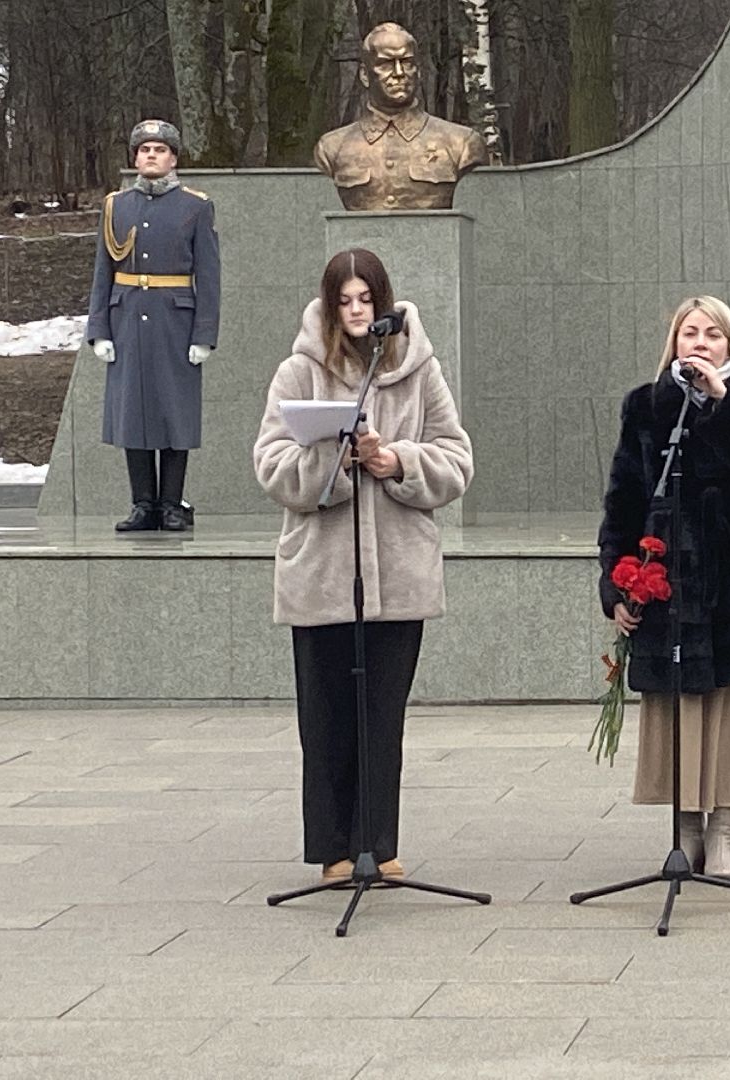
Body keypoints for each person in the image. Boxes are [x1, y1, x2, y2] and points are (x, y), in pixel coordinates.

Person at [253, 249, 473, 884]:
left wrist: (395, 461)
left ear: (384, 303)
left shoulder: (418, 370)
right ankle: (333, 848)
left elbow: (457, 458)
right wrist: (335, 463)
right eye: (344, 302)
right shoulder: (298, 372)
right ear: (328, 306)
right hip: (322, 574)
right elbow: (269, 464)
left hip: (398, 573)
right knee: (326, 717)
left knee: (383, 713)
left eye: (366, 301)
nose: (356, 313)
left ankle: (378, 839)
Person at [598, 295, 730, 881]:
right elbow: (624, 498)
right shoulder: (648, 407)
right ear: (673, 344)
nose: (700, 343)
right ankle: (685, 832)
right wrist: (617, 581)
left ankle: (723, 831)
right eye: (689, 334)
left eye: (713, 334)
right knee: (678, 705)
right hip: (667, 581)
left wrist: (725, 403)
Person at [86, 119, 221, 533]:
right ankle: (143, 504)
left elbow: (209, 275)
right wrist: (99, 329)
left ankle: (172, 505)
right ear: (135, 157)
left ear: (173, 158)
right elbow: (102, 271)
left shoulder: (195, 207)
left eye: (159, 150)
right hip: (127, 320)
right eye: (144, 149)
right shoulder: (117, 206)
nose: (151, 156)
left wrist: (204, 334)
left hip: (174, 322)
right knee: (133, 414)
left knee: (174, 413)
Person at [313, 22, 488, 211]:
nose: (399, 73)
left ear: (418, 71)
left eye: (407, 63)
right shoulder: (331, 148)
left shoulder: (462, 144)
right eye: (386, 64)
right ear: (365, 75)